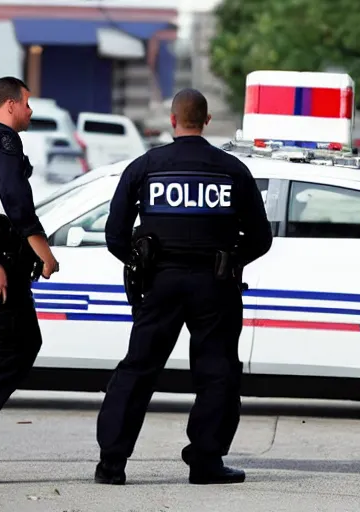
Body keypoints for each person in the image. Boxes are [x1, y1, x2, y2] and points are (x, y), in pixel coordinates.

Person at [95, 88, 272, 486]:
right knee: (217, 373)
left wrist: (139, 263)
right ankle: (206, 462)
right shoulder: (232, 170)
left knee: (138, 370)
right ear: (206, 121)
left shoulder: (145, 167)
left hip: (160, 283)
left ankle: (112, 464)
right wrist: (232, 258)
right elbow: (261, 238)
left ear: (173, 120)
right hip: (216, 284)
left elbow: (115, 235)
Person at [0, 77, 60, 423]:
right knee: (16, 347)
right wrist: (44, 253)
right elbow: (15, 202)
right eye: (27, 103)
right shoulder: (3, 140)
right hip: (0, 261)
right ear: (10, 105)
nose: (30, 111)